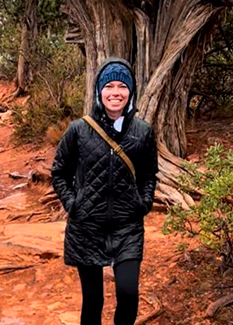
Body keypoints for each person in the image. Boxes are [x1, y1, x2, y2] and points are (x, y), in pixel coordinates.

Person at [51, 57, 158, 325]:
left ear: (130, 91)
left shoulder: (143, 132)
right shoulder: (79, 130)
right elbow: (59, 172)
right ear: (99, 91)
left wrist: (143, 203)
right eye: (109, 86)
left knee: (128, 294)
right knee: (93, 301)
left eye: (122, 86)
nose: (115, 93)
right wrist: (73, 204)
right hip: (87, 227)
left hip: (127, 227)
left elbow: (148, 175)